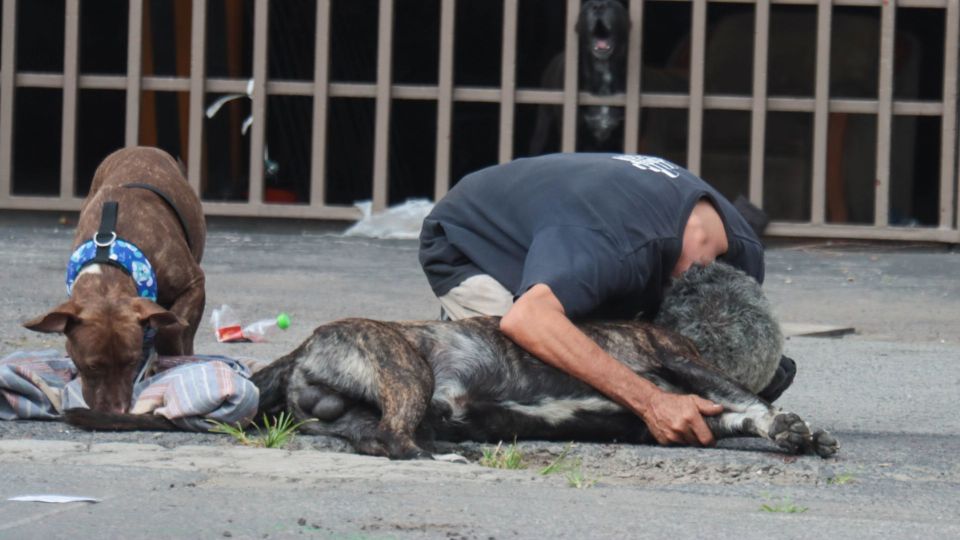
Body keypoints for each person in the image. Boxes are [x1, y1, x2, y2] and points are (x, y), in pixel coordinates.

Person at [419, 153, 795, 447]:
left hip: (578, 218)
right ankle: (465, 321)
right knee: (549, 378)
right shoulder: (608, 251)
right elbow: (527, 319)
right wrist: (651, 401)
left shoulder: (742, 257)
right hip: (473, 239)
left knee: (611, 358)